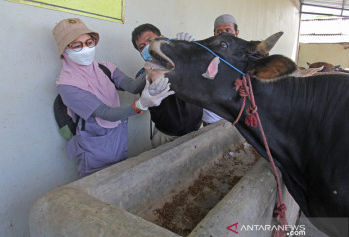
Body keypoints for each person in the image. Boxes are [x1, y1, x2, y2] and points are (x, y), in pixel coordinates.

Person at [52, 18, 174, 177]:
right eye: (77, 45)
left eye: (89, 42)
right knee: (98, 185)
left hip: (118, 135)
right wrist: (141, 105)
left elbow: (130, 85)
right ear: (64, 50)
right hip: (94, 147)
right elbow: (105, 113)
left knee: (120, 175)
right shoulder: (67, 85)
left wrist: (150, 70)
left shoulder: (104, 68)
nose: (86, 48)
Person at [131, 24, 203, 148]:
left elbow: (204, 76)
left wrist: (191, 53)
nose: (147, 47)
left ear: (162, 38)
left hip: (196, 130)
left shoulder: (184, 60)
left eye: (150, 40)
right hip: (166, 136)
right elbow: (146, 102)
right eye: (142, 46)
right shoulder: (143, 75)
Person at [202, 14, 239, 126]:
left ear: (236, 33)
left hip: (236, 117)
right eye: (219, 31)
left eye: (228, 30)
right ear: (214, 35)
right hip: (211, 119)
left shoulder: (244, 56)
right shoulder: (206, 54)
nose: (223, 34)